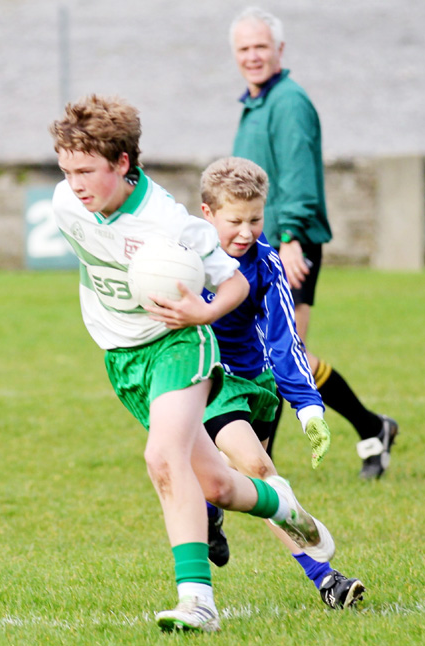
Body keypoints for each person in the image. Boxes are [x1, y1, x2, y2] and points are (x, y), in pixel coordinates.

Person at [49, 94, 335, 633]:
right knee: (218, 487)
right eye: (66, 170)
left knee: (162, 457)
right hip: (122, 359)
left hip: (179, 345)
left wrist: (200, 310)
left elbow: (235, 280)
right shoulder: (68, 203)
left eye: (87, 170)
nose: (75, 183)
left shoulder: (171, 224)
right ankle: (283, 507)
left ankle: (197, 601)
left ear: (123, 163)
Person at [229, 7, 398, 479]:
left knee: (286, 353)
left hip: (288, 243)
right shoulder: (257, 103)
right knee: (278, 351)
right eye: (243, 49)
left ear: (279, 49)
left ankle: (264, 463)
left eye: (261, 46)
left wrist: (291, 237)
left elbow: (299, 176)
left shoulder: (289, 102)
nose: (252, 56)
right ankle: (371, 427)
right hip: (259, 246)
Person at [200, 156, 365, 609]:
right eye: (234, 220)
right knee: (261, 473)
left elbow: (286, 343)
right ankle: (326, 579)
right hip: (212, 384)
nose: (246, 231)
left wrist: (309, 408)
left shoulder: (268, 265)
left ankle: (210, 512)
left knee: (248, 487)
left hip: (260, 389)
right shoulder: (184, 259)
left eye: (255, 219)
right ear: (207, 213)